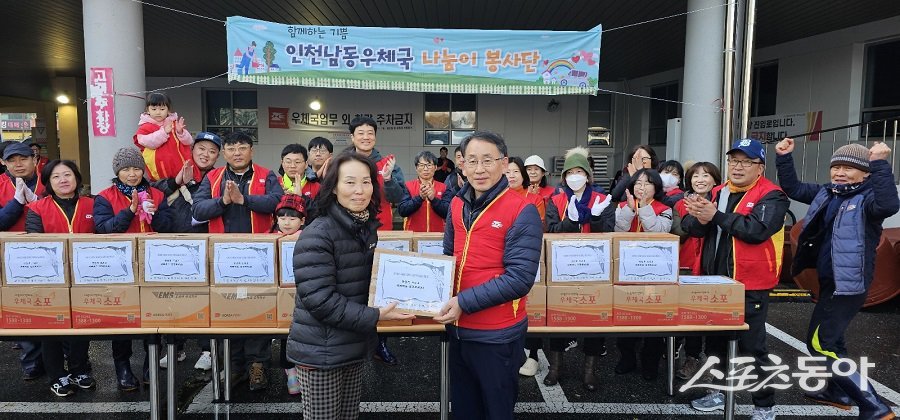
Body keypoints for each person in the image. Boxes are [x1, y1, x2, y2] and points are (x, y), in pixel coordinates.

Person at [776, 138, 898, 420]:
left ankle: (874, 405)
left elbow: (889, 204)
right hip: (831, 283)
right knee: (834, 342)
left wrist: (880, 163)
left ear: (864, 173)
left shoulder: (868, 199)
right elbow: (793, 188)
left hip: (849, 285)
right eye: (836, 167)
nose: (840, 172)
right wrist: (784, 157)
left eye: (848, 168)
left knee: (820, 345)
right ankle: (837, 392)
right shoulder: (828, 193)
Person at [286, 152, 414, 418]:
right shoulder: (318, 233)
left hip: (351, 343)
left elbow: (366, 281)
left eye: (366, 182)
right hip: (321, 351)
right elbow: (321, 301)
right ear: (333, 187)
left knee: (348, 416)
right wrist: (376, 315)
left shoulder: (364, 227)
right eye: (350, 182)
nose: (360, 191)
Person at [435, 131, 543, 419]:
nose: (479, 169)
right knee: (465, 409)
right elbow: (449, 256)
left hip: (497, 334)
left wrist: (463, 302)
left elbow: (520, 278)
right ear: (462, 165)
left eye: (487, 160)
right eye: (472, 161)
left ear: (504, 163)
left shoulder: (522, 210)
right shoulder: (457, 204)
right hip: (458, 328)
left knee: (495, 410)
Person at [682, 138, 789, 419]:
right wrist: (699, 217)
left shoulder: (772, 194)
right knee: (715, 344)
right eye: (733, 161)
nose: (737, 167)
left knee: (753, 348)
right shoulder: (718, 191)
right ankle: (716, 392)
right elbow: (694, 229)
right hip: (714, 281)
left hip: (749, 284)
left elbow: (757, 229)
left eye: (746, 162)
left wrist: (715, 215)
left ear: (760, 167)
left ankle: (765, 407)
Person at [193, 131, 283, 391]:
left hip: (260, 256)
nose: (237, 153)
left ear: (251, 150)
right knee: (228, 310)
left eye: (242, 148)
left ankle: (258, 365)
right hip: (223, 257)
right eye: (231, 149)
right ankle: (233, 366)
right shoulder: (212, 177)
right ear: (224, 153)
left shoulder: (267, 175)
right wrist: (222, 201)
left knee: (258, 307)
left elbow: (278, 202)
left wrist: (245, 200)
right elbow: (198, 210)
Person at [93, 147, 174, 391]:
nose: (132, 174)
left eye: (136, 168)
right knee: (122, 320)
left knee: (153, 318)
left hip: (153, 266)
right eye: (126, 169)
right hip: (121, 267)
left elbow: (170, 228)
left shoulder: (157, 195)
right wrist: (129, 212)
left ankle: (151, 364)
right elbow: (103, 230)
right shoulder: (105, 197)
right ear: (118, 172)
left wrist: (155, 214)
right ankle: (123, 368)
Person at [541, 147, 615, 390]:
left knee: (595, 320)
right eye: (569, 172)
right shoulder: (556, 200)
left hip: (596, 269)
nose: (574, 176)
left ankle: (589, 372)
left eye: (579, 171)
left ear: (587, 174)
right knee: (559, 317)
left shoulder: (601, 199)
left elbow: (608, 234)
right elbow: (549, 233)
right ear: (563, 177)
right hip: (563, 268)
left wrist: (594, 218)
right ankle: (555, 368)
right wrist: (569, 223)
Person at [150, 131, 221, 372]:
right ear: (192, 150)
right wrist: (175, 181)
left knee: (204, 300)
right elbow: (152, 190)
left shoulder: (217, 178)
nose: (206, 154)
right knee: (174, 300)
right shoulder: (176, 172)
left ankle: (207, 350)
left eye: (212, 151)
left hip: (204, 247)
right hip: (173, 246)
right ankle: (175, 347)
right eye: (201, 149)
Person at [26, 160, 96, 396]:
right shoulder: (37, 208)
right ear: (48, 182)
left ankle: (79, 370)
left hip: (84, 277)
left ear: (77, 178)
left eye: (67, 174)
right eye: (55, 177)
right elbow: (33, 245)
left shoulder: (92, 204)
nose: (63, 180)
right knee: (51, 328)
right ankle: (56, 375)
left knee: (81, 325)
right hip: (50, 278)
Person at [346, 116, 411, 365]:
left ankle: (380, 342)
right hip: (350, 231)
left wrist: (387, 178)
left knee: (382, 288)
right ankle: (356, 342)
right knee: (354, 285)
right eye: (360, 133)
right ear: (352, 137)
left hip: (381, 232)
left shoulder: (389, 163)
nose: (365, 137)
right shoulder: (343, 163)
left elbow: (399, 197)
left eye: (370, 133)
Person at [613, 168, 673, 381]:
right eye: (638, 183)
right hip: (626, 274)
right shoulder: (622, 206)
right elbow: (617, 232)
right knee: (626, 318)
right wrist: (629, 210)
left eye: (647, 183)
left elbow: (658, 232)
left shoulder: (664, 209)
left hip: (654, 275)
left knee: (653, 322)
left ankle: (650, 363)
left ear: (656, 187)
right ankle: (627, 358)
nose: (642, 187)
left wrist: (645, 208)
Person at [672, 162, 722, 381]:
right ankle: (691, 357)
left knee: (709, 316)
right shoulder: (680, 203)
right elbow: (677, 232)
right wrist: (693, 216)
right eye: (695, 176)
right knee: (688, 313)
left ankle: (711, 363)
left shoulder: (721, 201)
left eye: (706, 175)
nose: (700, 179)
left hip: (711, 266)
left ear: (715, 179)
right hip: (685, 264)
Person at [0, 142, 45, 380]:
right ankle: (32, 363)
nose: (18, 164)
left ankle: (66, 362)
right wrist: (17, 202)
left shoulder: (50, 179)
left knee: (53, 308)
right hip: (14, 257)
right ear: (4, 163)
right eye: (12, 160)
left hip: (48, 254)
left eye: (23, 159)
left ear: (34, 159)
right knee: (23, 309)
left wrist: (38, 200)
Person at [269, 194, 307, 396]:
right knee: (285, 334)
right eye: (282, 217)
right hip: (279, 297)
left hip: (303, 294)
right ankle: (290, 370)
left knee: (302, 334)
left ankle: (303, 369)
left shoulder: (309, 238)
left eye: (292, 218)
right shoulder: (269, 237)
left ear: (302, 221)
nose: (286, 222)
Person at [132, 92, 193, 181]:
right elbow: (148, 143)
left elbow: (189, 142)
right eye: (154, 109)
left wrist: (181, 132)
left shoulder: (174, 124)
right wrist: (164, 132)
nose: (158, 112)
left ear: (168, 110)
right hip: (160, 174)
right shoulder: (145, 127)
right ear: (147, 110)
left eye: (162, 109)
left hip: (181, 170)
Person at [398, 150, 448, 232]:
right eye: (421, 165)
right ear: (416, 168)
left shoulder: (444, 187)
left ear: (435, 167)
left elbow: (447, 213)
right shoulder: (407, 186)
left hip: (438, 235)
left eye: (429, 165)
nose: (425, 169)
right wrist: (420, 198)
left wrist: (433, 199)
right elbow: (402, 211)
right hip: (413, 234)